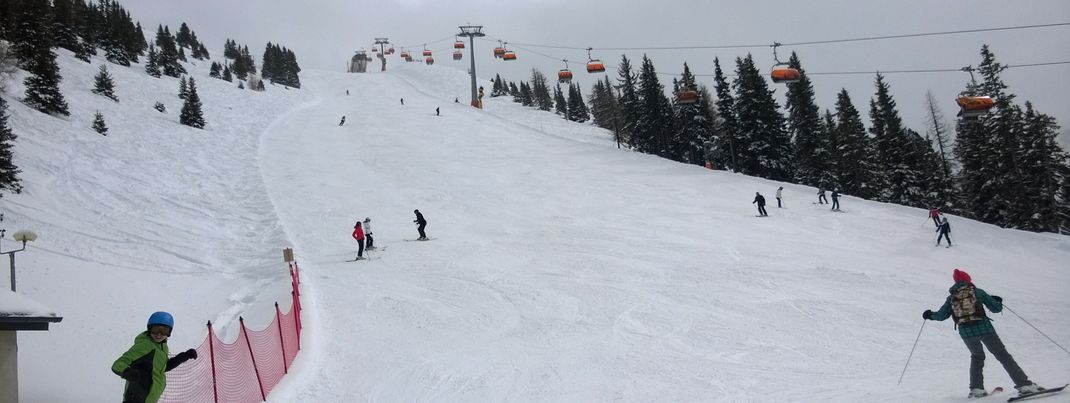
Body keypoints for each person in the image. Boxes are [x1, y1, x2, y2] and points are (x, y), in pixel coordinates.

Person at [922, 269, 1045, 398]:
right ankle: (1024, 385)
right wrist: (997, 301)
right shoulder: (977, 292)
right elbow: (996, 309)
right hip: (986, 330)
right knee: (1003, 356)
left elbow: (941, 316)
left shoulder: (951, 297)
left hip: (966, 334)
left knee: (977, 357)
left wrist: (930, 315)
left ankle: (976, 389)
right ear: (968, 280)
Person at [112, 311, 198, 403]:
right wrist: (128, 372)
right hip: (136, 399)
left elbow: (163, 367)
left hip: (149, 398)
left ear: (169, 332)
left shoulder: (161, 346)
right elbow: (117, 365)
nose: (159, 334)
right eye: (156, 329)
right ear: (149, 329)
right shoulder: (145, 345)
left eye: (164, 331)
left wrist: (184, 356)